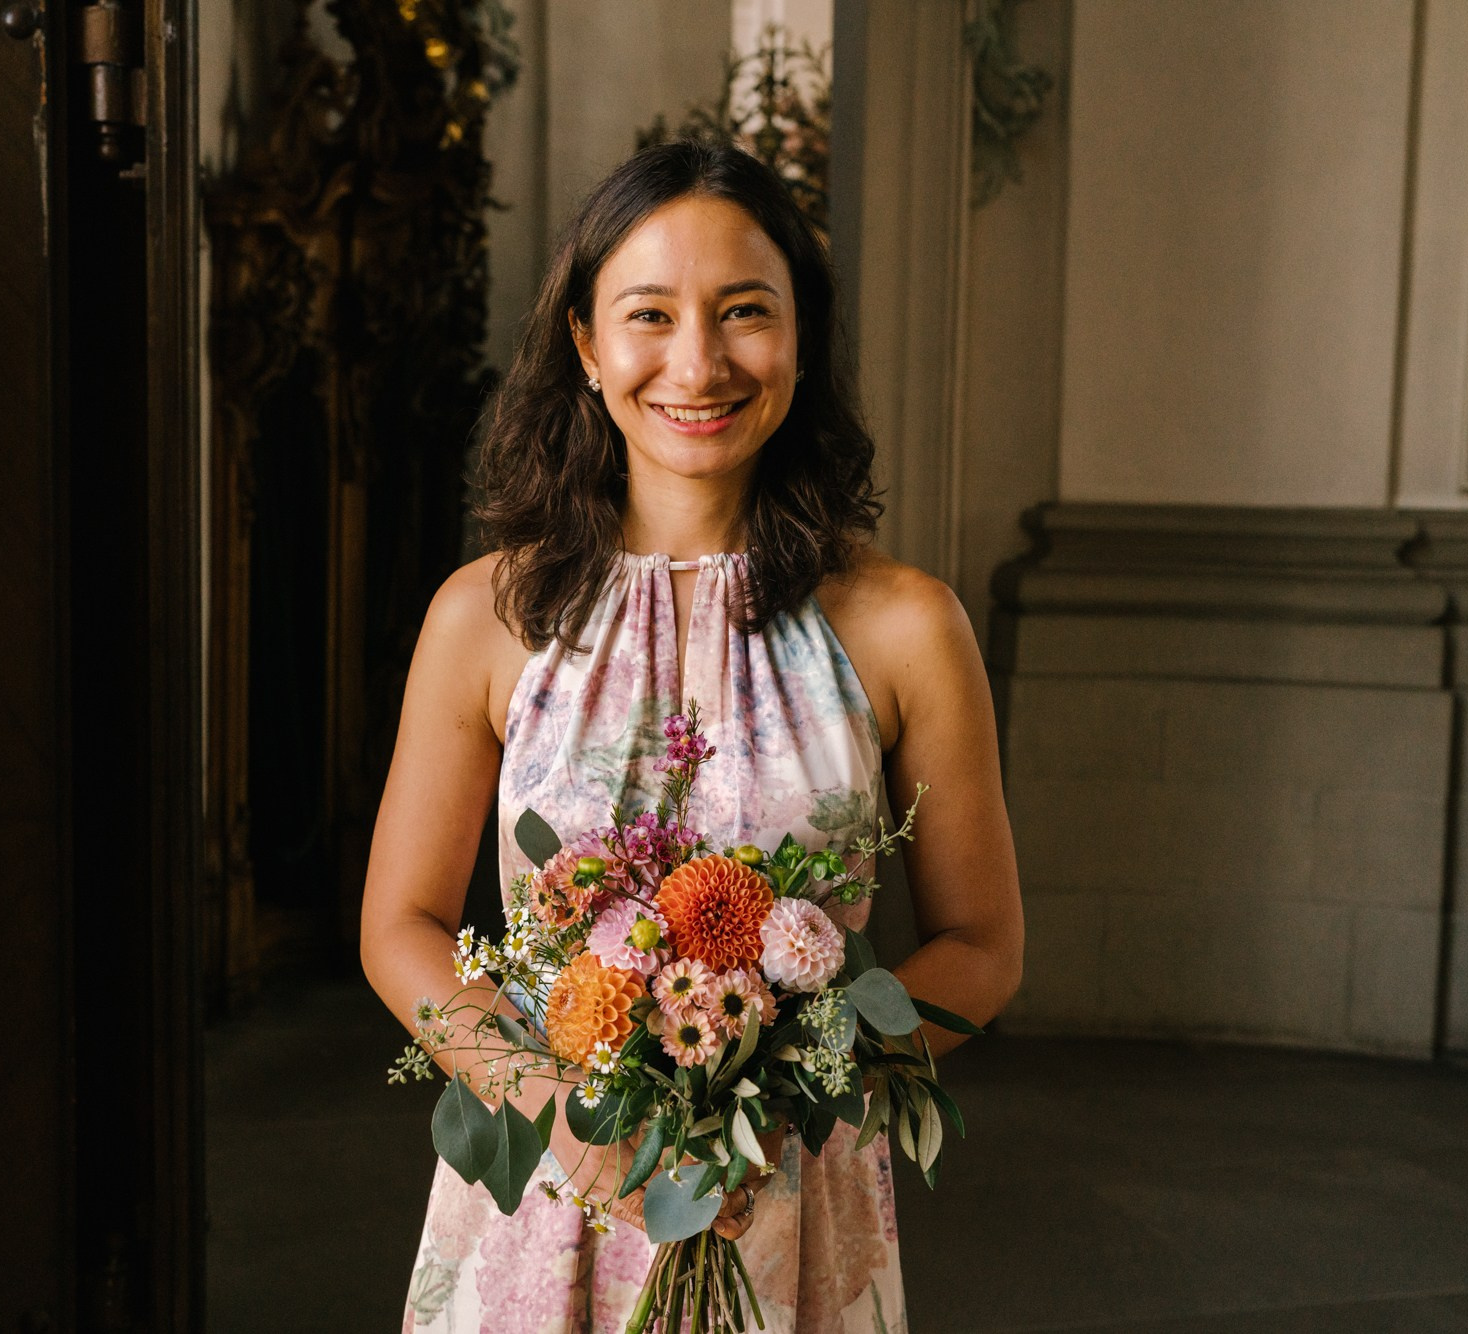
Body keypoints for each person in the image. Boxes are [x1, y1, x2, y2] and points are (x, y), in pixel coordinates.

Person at [360, 139, 1023, 1333]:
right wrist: (557, 1103)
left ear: (801, 335)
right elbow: (398, 924)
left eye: (744, 312)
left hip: (792, 1199)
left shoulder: (904, 626)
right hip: (542, 1198)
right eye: (648, 314)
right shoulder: (486, 616)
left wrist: (788, 1079)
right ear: (584, 344)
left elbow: (982, 945)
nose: (698, 362)